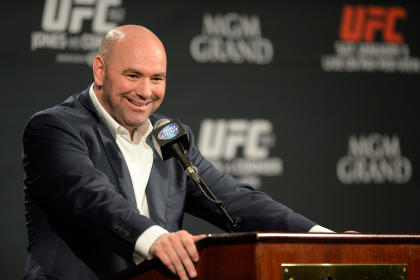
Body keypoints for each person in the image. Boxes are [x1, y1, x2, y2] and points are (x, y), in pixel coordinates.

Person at [22, 25, 332, 280]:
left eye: (157, 78)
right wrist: (156, 238)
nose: (146, 91)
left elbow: (235, 200)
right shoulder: (54, 128)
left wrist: (324, 240)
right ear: (100, 71)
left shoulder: (166, 136)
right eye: (132, 75)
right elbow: (92, 198)